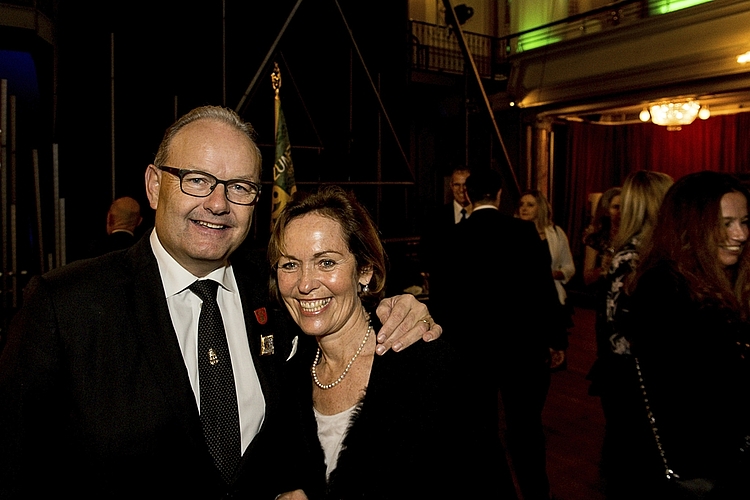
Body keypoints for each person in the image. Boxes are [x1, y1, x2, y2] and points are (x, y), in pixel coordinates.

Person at [0, 105, 442, 499]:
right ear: (155, 186)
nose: (218, 204)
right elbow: (16, 467)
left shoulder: (278, 291)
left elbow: (341, 314)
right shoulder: (65, 305)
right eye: (197, 180)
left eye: (240, 187)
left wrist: (402, 308)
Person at [268, 185, 516, 499]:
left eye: (326, 262)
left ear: (365, 271)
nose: (305, 284)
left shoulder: (428, 367)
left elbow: (487, 483)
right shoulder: (289, 370)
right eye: (290, 264)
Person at [434, 169, 568, 500]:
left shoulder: (453, 236)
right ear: (498, 195)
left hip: (471, 351)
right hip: (520, 348)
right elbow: (543, 290)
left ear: (468, 196)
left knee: (480, 428)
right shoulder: (523, 232)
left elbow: (441, 301)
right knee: (525, 428)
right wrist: (556, 339)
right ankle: (537, 493)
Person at [625, 171, 750, 498]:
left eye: (744, 221)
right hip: (698, 467)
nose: (741, 234)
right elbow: (691, 398)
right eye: (725, 223)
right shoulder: (665, 289)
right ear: (689, 224)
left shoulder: (716, 280)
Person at [584, 170, 673, 499]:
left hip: (633, 377)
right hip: (632, 378)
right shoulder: (634, 256)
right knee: (633, 465)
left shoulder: (650, 252)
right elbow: (624, 333)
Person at [517, 189, 576, 327]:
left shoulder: (555, 233)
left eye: (530, 205)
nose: (524, 208)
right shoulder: (513, 234)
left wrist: (554, 274)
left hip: (549, 297)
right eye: (521, 204)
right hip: (522, 299)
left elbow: (569, 266)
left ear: (540, 208)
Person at [582, 186, 621, 287]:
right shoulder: (597, 238)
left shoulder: (632, 238)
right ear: (607, 210)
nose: (621, 212)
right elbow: (587, 277)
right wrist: (601, 269)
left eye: (624, 207)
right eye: (616, 207)